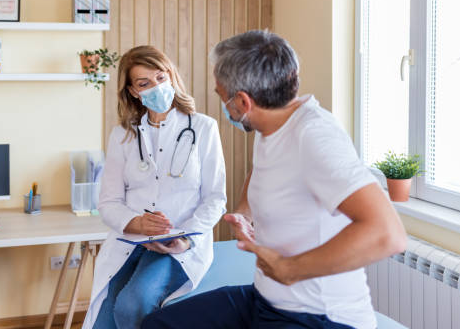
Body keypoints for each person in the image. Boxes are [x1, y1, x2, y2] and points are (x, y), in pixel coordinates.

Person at [141, 30, 407, 329]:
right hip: (265, 300)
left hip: (318, 317)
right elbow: (262, 170)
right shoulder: (273, 125)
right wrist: (244, 213)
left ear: (242, 102)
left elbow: (388, 234)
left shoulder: (315, 137)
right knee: (158, 325)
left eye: (221, 96)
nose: (223, 105)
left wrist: (290, 269)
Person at [82, 45, 227, 329]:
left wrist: (186, 238)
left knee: (133, 302)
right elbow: (108, 203)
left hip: (181, 243)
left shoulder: (202, 128)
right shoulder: (123, 135)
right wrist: (137, 223)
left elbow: (215, 198)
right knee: (105, 316)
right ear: (133, 91)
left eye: (161, 78)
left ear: (171, 76)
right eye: (144, 83)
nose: (156, 87)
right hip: (131, 241)